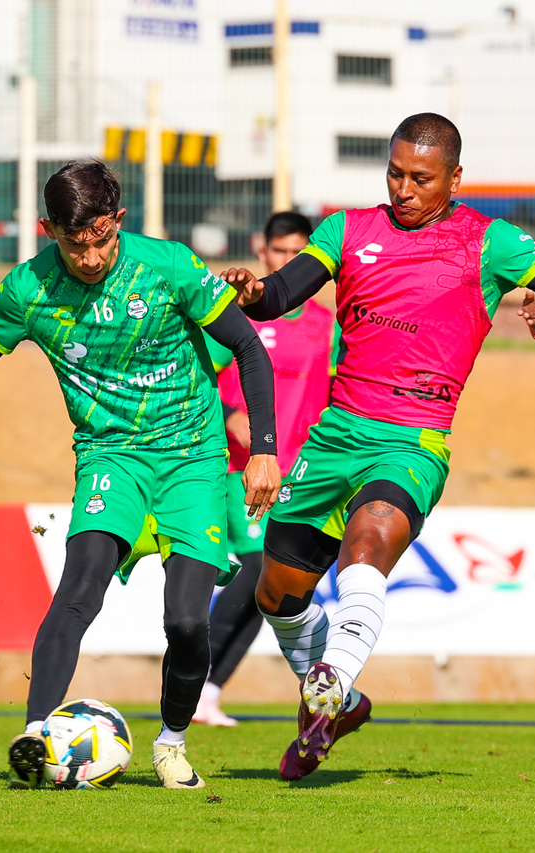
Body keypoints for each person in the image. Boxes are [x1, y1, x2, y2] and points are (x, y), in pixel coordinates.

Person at [0, 160, 281, 790]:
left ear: (118, 221)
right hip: (110, 457)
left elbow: (248, 347)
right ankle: (36, 735)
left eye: (102, 238)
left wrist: (264, 448)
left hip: (192, 458)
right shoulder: (27, 290)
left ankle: (171, 741)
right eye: (75, 244)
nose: (92, 256)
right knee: (79, 588)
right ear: (49, 231)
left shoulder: (168, 266)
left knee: (186, 621)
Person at [222, 113, 535, 780]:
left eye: (421, 178)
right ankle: (337, 705)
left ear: (454, 178)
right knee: (276, 593)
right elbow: (283, 292)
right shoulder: (347, 230)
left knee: (368, 540)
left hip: (412, 438)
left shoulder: (490, 242)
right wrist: (255, 293)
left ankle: (331, 682)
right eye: (395, 174)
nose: (404, 188)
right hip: (335, 432)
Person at [192, 212, 337, 727]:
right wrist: (230, 416)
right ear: (261, 250)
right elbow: (195, 376)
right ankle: (189, 677)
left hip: (301, 478)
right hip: (242, 470)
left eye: (301, 253)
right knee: (254, 567)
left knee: (269, 588)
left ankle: (207, 690)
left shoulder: (326, 328)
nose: (289, 262)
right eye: (280, 251)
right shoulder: (238, 318)